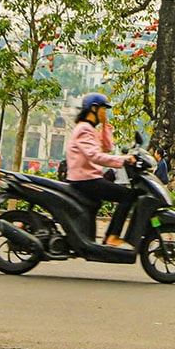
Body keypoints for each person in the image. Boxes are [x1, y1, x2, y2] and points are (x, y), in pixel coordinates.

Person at [65, 93, 139, 247]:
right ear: (94, 109)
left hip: (90, 178)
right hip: (85, 180)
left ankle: (103, 239)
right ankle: (112, 236)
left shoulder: (90, 129)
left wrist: (105, 125)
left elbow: (107, 147)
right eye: (103, 110)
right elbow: (95, 156)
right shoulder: (84, 129)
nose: (105, 113)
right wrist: (124, 160)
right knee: (128, 196)